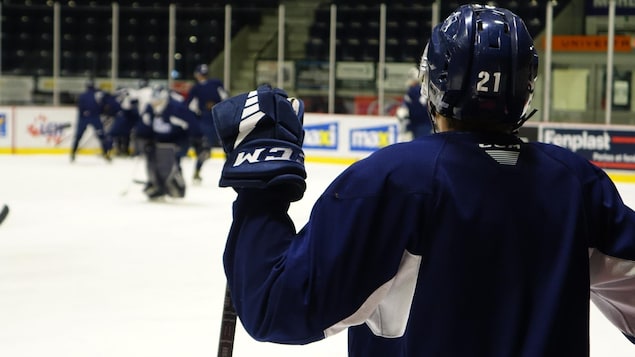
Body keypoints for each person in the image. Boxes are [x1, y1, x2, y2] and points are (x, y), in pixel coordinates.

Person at [211, 5, 635, 357]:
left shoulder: (390, 181)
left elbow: (277, 306)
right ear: (525, 90)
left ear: (433, 84)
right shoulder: (579, 186)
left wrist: (260, 188)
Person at [138, 85, 200, 200]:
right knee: (152, 161)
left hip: (175, 143)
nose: (155, 104)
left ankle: (175, 185)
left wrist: (198, 141)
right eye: (154, 101)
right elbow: (144, 126)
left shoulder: (176, 109)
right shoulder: (149, 109)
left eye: (158, 101)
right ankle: (155, 184)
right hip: (158, 142)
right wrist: (146, 139)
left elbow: (192, 125)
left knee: (172, 164)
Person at [185, 63, 229, 183]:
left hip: (205, 120)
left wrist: (196, 116)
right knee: (227, 146)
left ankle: (197, 172)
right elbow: (226, 98)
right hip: (219, 119)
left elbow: (189, 106)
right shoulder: (216, 83)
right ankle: (231, 172)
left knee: (205, 148)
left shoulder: (196, 88)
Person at [70, 79, 112, 162]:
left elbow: (80, 108)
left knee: (78, 136)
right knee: (102, 136)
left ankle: (73, 153)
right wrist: (102, 111)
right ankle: (106, 153)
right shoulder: (99, 94)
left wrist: (83, 115)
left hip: (84, 118)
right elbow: (106, 102)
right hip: (95, 117)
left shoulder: (83, 95)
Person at [397, 67, 433, 139]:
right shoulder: (420, 90)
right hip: (421, 124)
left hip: (420, 124)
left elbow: (419, 108)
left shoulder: (414, 91)